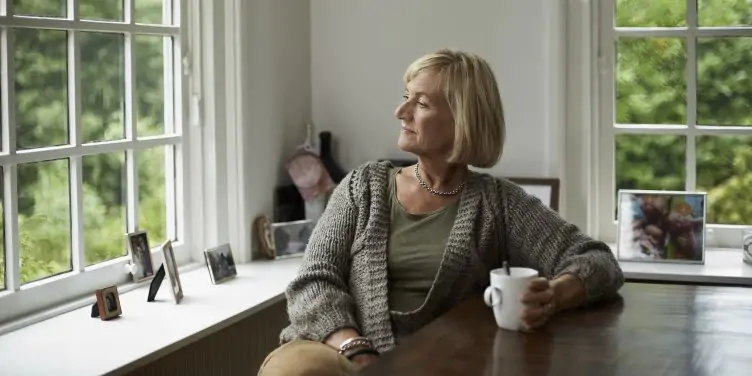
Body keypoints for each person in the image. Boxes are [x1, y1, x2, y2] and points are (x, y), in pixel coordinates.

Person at [257, 48, 625, 376]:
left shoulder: (498, 203)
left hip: (439, 363)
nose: (400, 112)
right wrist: (357, 350)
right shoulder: (362, 187)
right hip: (339, 354)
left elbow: (598, 261)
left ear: (463, 119)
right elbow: (312, 281)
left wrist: (555, 295)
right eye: (405, 98)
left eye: (421, 104)